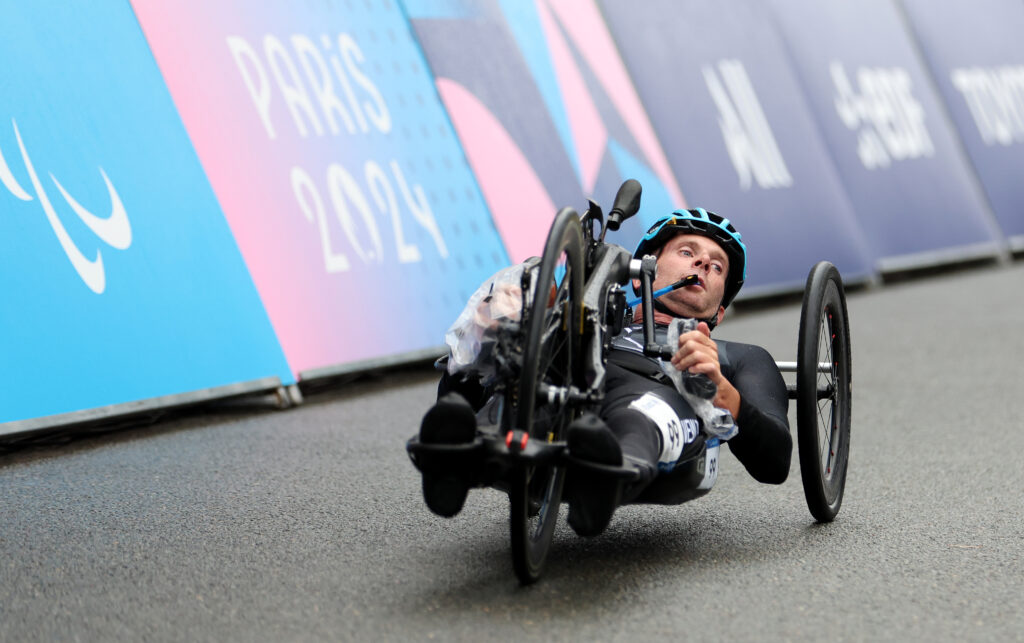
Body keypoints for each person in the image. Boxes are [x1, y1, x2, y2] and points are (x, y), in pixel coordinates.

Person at [417, 208, 792, 537]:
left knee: (641, 412)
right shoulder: (578, 322)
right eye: (687, 252)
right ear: (639, 274)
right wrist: (489, 332)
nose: (701, 265)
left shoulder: (738, 357)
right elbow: (465, 391)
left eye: (717, 266)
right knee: (519, 383)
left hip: (652, 397)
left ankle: (606, 477)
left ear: (719, 313)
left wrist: (720, 390)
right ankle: (458, 458)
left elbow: (775, 462)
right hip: (567, 384)